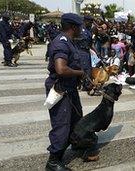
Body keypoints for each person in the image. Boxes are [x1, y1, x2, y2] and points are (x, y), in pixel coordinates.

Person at [44, 13, 86, 171]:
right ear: (73, 27)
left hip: (70, 88)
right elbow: (61, 69)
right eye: (80, 26)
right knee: (62, 124)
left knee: (77, 119)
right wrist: (79, 73)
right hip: (60, 88)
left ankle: (76, 145)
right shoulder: (61, 42)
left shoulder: (69, 41)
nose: (82, 29)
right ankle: (53, 161)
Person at [74, 15, 94, 91]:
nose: (91, 23)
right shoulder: (79, 30)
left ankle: (86, 85)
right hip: (80, 51)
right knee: (83, 68)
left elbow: (90, 43)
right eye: (90, 22)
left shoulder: (89, 30)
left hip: (87, 52)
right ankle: (82, 84)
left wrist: (96, 52)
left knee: (88, 68)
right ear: (86, 21)